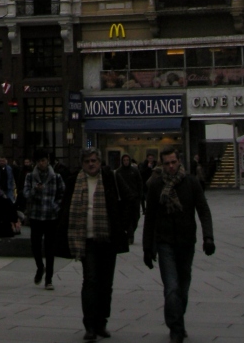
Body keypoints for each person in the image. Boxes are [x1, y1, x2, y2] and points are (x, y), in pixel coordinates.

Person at [55, 148, 130, 343]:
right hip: (84, 240)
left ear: (100, 162)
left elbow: (130, 199)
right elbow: (65, 207)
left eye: (94, 160)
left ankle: (101, 322)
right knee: (90, 280)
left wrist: (125, 227)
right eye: (87, 161)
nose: (91, 164)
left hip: (107, 239)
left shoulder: (111, 178)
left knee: (106, 283)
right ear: (82, 163)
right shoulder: (74, 181)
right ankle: (89, 325)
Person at [142, 146, 214, 343]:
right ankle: (176, 328)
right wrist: (147, 248)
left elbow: (203, 210)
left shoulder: (191, 182)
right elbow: (150, 218)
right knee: (171, 287)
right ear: (162, 165)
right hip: (164, 242)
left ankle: (176, 319)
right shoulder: (156, 185)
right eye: (167, 163)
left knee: (183, 286)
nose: (171, 166)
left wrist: (208, 237)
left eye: (173, 162)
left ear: (179, 161)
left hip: (186, 241)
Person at [24, 150, 60, 288]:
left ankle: (49, 279)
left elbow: (62, 193)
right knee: (35, 245)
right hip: (36, 215)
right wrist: (35, 190)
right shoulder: (30, 177)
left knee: (50, 248)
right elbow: (26, 194)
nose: (41, 163)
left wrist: (56, 206)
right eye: (39, 161)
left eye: (43, 160)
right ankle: (40, 267)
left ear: (48, 160)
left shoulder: (56, 177)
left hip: (51, 216)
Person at [117, 154, 143, 244]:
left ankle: (130, 232)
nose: (126, 162)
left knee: (135, 216)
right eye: (124, 160)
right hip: (124, 199)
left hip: (135, 198)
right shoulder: (119, 172)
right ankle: (129, 234)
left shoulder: (134, 171)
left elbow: (139, 183)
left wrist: (139, 195)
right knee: (127, 218)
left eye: (127, 160)